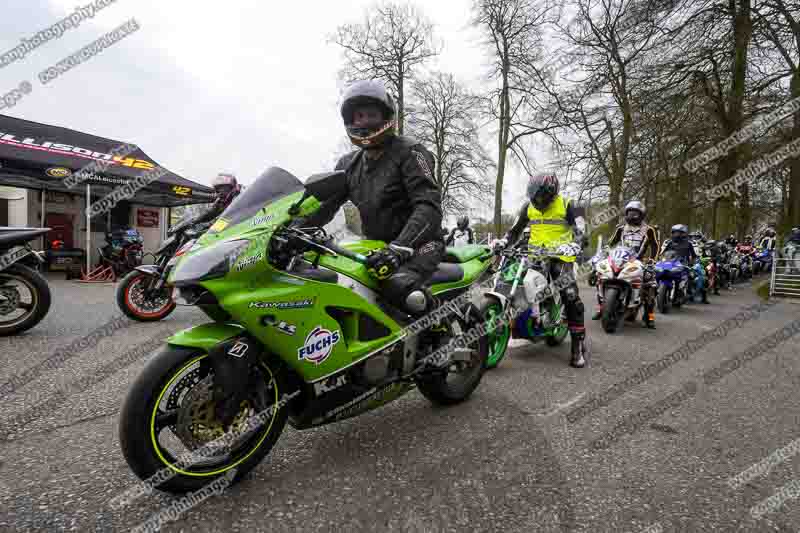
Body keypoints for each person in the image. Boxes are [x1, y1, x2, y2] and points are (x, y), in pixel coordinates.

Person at [292, 79, 444, 321]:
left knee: (395, 285)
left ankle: (441, 324)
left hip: (419, 245)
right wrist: (291, 230)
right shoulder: (347, 165)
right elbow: (324, 207)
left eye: (370, 115)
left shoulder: (411, 151)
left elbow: (429, 205)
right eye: (357, 116)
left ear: (386, 116)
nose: (362, 122)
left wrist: (400, 247)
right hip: (374, 247)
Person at [492, 173, 589, 368]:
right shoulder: (528, 207)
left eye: (540, 196)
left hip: (560, 256)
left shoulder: (572, 205)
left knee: (570, 295)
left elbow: (583, 231)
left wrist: (575, 245)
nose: (537, 200)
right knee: (510, 281)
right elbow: (515, 231)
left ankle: (577, 345)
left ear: (552, 193)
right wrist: (504, 242)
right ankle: (526, 319)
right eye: (534, 196)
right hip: (534, 255)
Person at [593, 200, 659, 328]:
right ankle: (601, 308)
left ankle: (649, 316)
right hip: (621, 257)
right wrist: (602, 254)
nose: (631, 216)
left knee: (650, 283)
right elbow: (611, 243)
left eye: (635, 213)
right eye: (629, 213)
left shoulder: (649, 229)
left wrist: (652, 261)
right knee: (601, 276)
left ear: (641, 215)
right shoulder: (621, 228)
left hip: (639, 260)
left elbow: (655, 246)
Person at [661, 223, 707, 303]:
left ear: (684, 233)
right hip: (669, 263)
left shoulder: (690, 243)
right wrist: (660, 259)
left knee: (691, 276)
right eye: (675, 232)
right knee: (656, 275)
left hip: (683, 264)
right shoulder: (668, 242)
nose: (676, 235)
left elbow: (695, 255)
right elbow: (661, 253)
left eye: (679, 233)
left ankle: (688, 293)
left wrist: (694, 262)